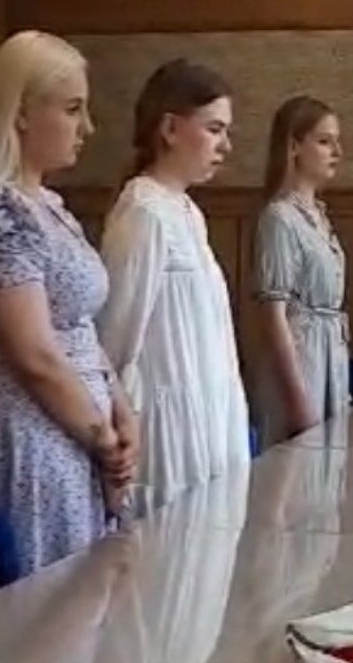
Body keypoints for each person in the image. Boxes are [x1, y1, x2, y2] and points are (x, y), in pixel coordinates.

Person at [0, 32, 137, 579]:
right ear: (23, 114)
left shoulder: (49, 205)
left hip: (83, 430)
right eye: (73, 109)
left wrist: (122, 409)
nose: (87, 127)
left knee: (89, 595)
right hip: (37, 435)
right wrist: (103, 439)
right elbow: (33, 355)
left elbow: (79, 328)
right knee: (49, 601)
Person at [99, 60, 250, 517]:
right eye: (214, 129)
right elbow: (114, 340)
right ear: (169, 129)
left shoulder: (184, 209)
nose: (225, 145)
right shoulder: (143, 212)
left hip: (208, 415)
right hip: (169, 433)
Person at [251, 95, 349, 444]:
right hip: (301, 357)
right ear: (294, 146)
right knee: (298, 465)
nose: (337, 152)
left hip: (331, 352)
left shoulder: (318, 215)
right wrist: (298, 400)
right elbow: (274, 315)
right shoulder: (280, 218)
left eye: (337, 141)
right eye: (324, 141)